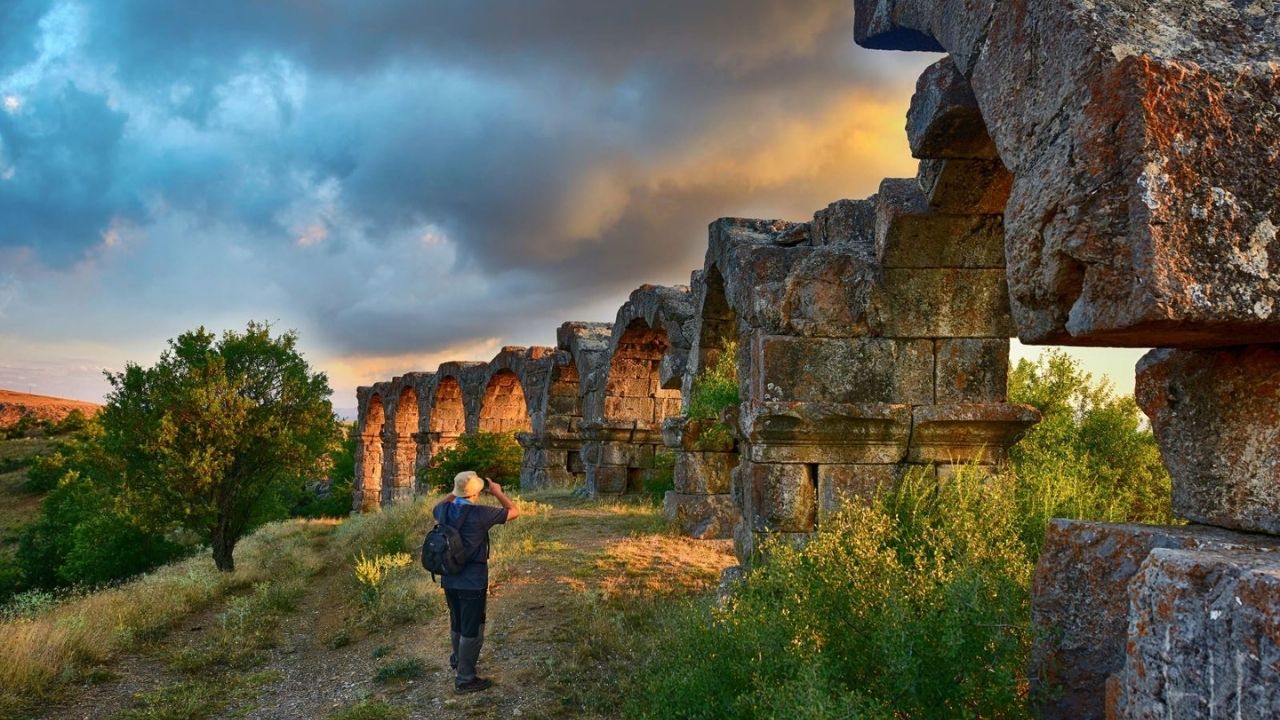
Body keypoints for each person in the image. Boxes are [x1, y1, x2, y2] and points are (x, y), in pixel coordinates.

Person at [432, 470, 520, 693]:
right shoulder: (481, 513)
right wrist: (498, 492)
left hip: (449, 577)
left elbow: (438, 506)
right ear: (477, 492)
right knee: (472, 628)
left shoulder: (444, 510)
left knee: (457, 622)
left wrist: (453, 494)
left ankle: (458, 659)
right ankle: (465, 678)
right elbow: (514, 512)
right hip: (472, 580)